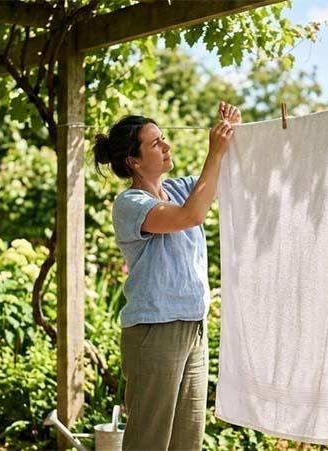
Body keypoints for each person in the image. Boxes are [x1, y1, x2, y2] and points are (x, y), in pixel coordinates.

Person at [92, 102, 241, 450]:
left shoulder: (176, 189)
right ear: (134, 161)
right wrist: (214, 151)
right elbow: (191, 215)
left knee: (187, 441)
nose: (166, 145)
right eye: (156, 142)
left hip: (194, 326)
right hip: (155, 332)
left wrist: (231, 129)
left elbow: (221, 174)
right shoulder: (130, 204)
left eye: (164, 138)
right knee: (149, 441)